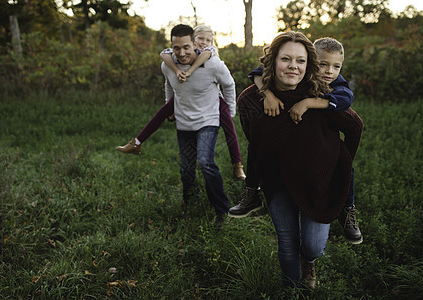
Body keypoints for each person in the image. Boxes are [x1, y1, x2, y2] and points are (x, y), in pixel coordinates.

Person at [235, 31, 363, 288]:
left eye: (301, 61)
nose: (293, 66)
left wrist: (341, 161)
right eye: (286, 59)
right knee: (286, 239)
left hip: (319, 178)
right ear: (273, 61)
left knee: (313, 245)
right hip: (278, 177)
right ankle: (291, 288)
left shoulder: (321, 93)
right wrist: (266, 93)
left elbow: (355, 126)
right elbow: (253, 137)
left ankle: (310, 261)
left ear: (309, 64)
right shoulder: (251, 98)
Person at [116, 25, 246, 181]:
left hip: (213, 99)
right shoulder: (178, 54)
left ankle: (237, 165)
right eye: (200, 38)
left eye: (208, 40)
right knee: (163, 111)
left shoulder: (211, 55)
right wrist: (170, 101)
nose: (204, 42)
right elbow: (164, 57)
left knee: (229, 128)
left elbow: (228, 83)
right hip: (184, 96)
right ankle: (136, 142)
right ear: (193, 41)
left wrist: (231, 110)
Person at [160, 24, 236, 228]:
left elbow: (229, 85)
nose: (182, 53)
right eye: (177, 48)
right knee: (186, 169)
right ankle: (190, 202)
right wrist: (171, 108)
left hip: (208, 120)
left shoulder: (213, 65)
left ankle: (222, 211)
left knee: (205, 162)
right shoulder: (168, 65)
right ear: (172, 47)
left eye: (186, 47)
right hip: (184, 122)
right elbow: (169, 84)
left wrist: (230, 112)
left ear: (194, 44)